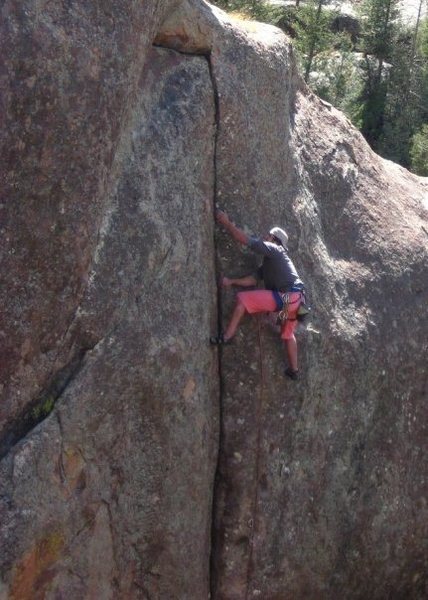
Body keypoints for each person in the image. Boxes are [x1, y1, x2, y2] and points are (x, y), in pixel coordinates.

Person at [210, 209, 304, 380]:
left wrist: (226, 222)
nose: (264, 237)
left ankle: (227, 336)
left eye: (268, 236)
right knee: (287, 334)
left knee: (243, 299)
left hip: (287, 299)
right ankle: (294, 370)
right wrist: (232, 282)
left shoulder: (275, 249)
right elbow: (252, 280)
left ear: (275, 240)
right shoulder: (272, 263)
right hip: (297, 301)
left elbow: (245, 240)